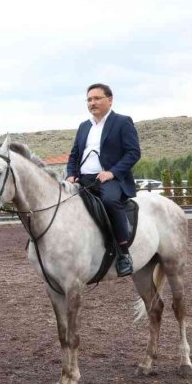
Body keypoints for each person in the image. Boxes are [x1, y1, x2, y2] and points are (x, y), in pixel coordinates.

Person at [65, 83, 141, 277]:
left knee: (109, 202)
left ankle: (124, 253)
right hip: (83, 180)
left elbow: (133, 153)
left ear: (110, 100)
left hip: (110, 180)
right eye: (89, 99)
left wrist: (112, 172)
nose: (93, 103)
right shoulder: (84, 127)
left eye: (97, 98)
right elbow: (74, 154)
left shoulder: (122, 122)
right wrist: (70, 174)